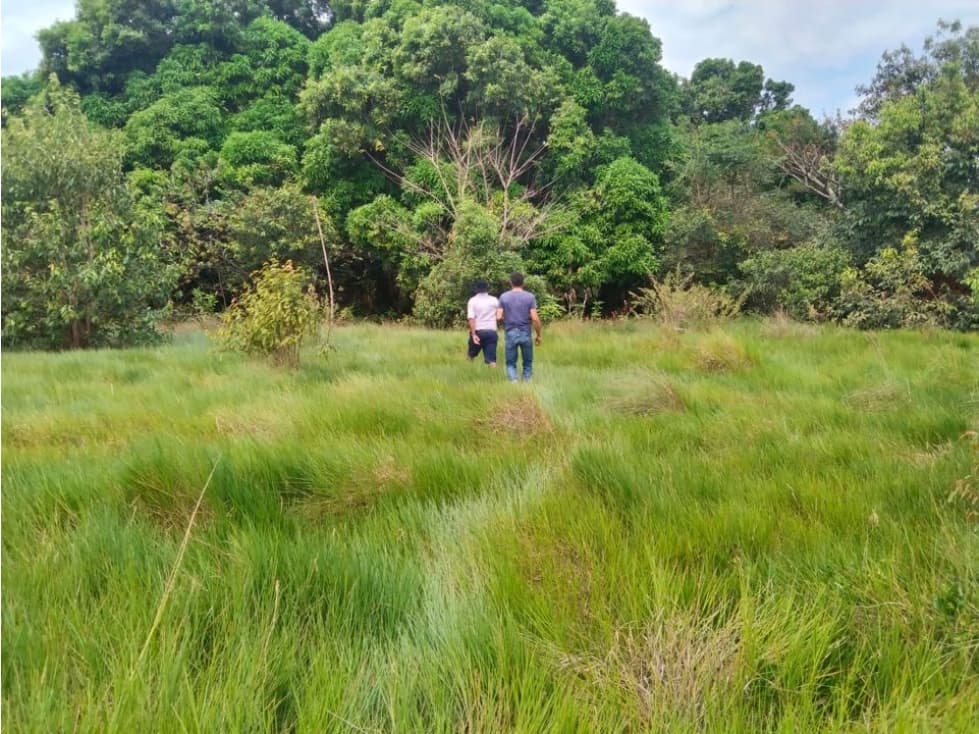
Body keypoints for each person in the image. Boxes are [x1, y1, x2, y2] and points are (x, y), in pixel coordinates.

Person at [496, 271, 541, 382]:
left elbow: (498, 316)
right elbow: (535, 318)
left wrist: (507, 318)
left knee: (511, 363)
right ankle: (527, 385)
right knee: (527, 362)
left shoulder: (503, 297)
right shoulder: (530, 297)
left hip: (510, 332)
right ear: (523, 283)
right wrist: (538, 335)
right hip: (525, 332)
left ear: (510, 282)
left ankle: (514, 383)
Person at [466, 280, 500, 367]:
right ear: (487, 289)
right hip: (491, 331)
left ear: (476, 289)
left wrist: (473, 334)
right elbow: (499, 315)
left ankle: (467, 371)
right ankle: (493, 378)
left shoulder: (472, 301)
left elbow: (471, 318)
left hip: (478, 331)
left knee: (470, 355)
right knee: (491, 360)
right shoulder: (494, 300)